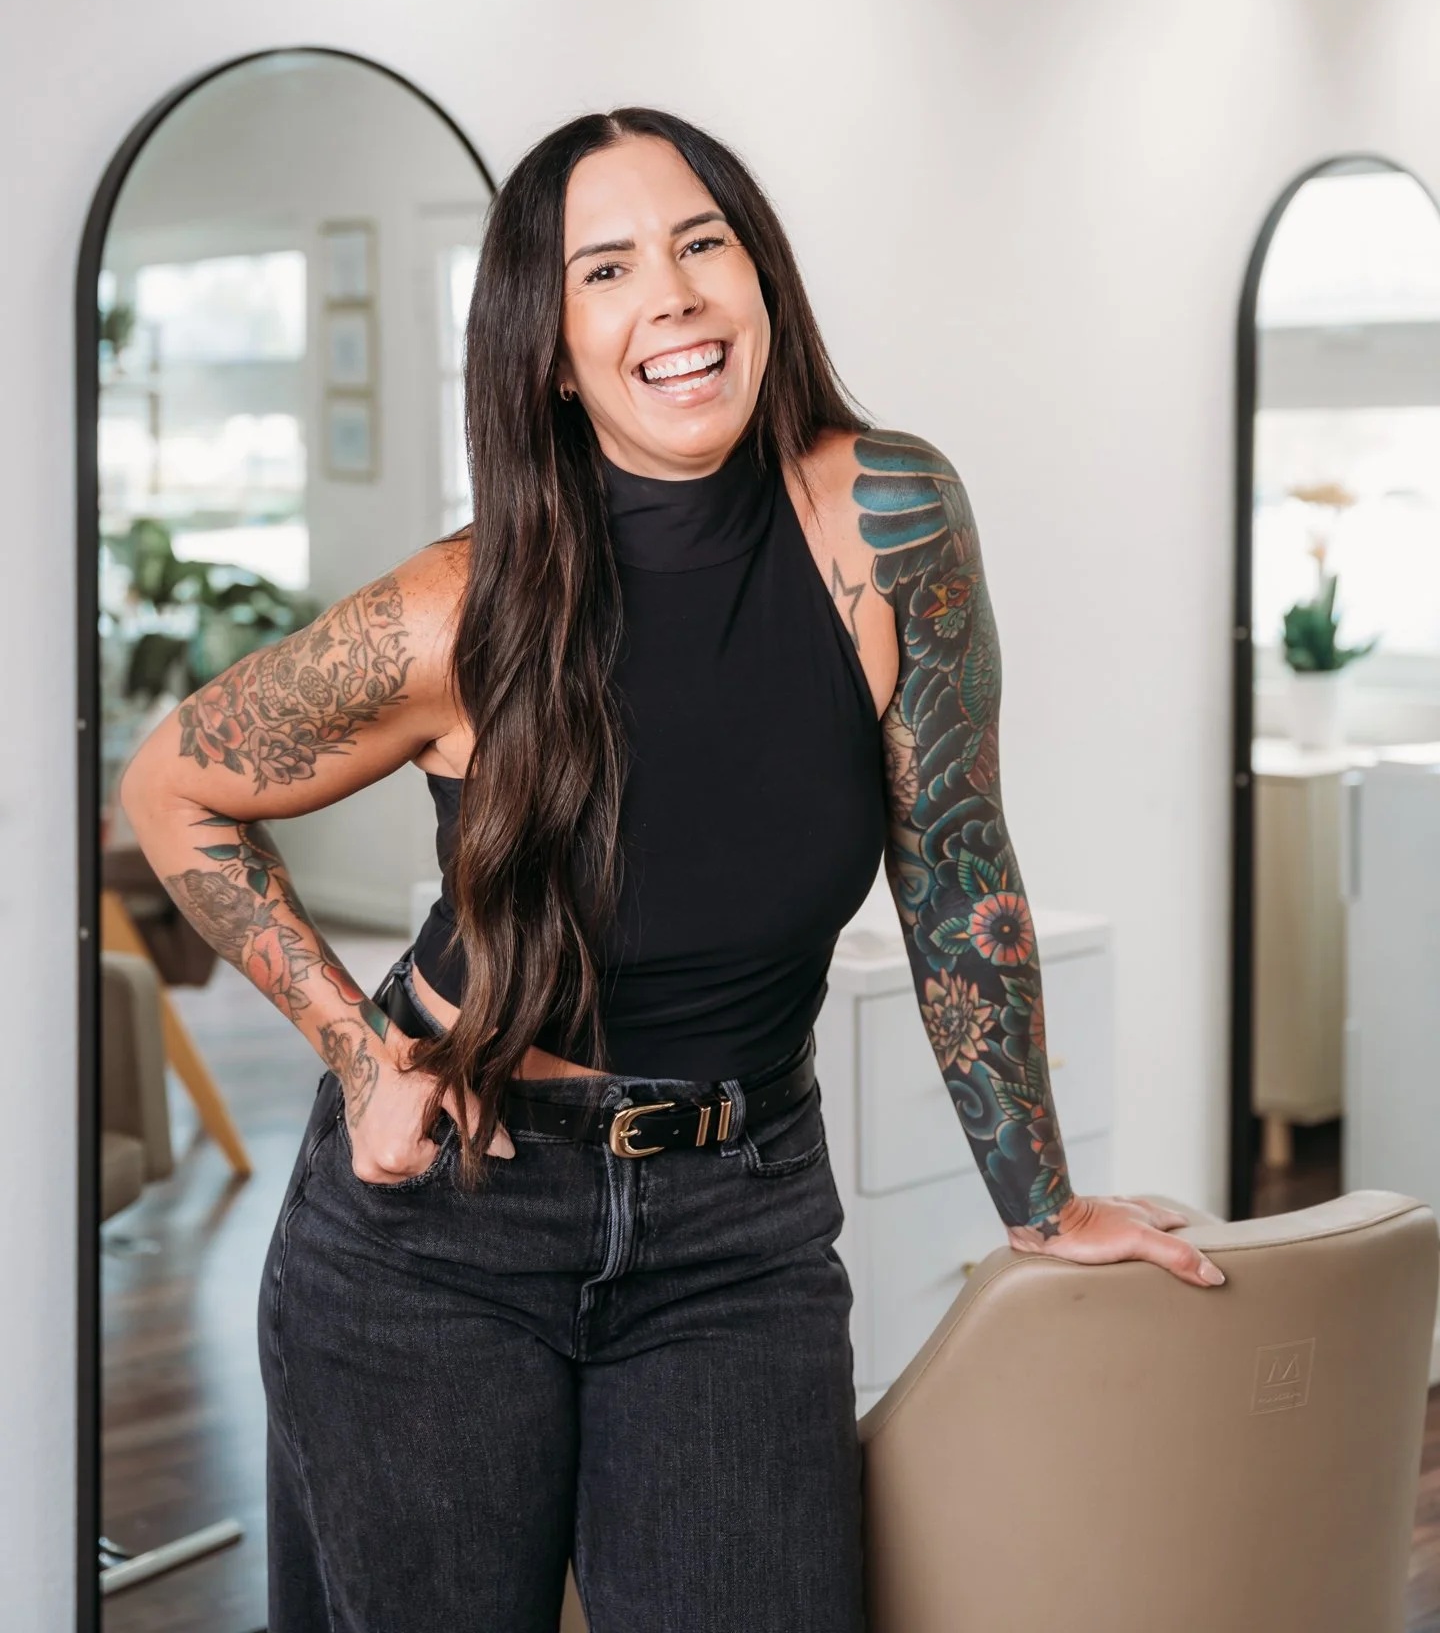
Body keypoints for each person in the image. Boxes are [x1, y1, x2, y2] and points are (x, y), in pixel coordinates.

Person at [120, 106, 1224, 1633]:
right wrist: (351, 1049)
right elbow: (174, 788)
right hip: (445, 1223)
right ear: (551, 349)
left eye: (704, 243)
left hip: (740, 1214)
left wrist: (1043, 1199)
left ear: (761, 274)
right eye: (610, 270)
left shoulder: (891, 523)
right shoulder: (459, 612)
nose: (677, 297)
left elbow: (958, 870)